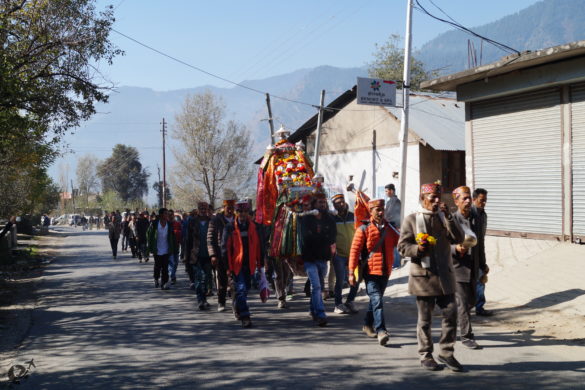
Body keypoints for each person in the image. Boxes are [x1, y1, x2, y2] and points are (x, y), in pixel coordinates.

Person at [398, 182, 465, 372]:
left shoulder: (444, 218)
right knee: (425, 319)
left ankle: (446, 351)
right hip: (424, 277)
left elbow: (458, 239)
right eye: (432, 198)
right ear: (422, 199)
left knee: (451, 313)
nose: (436, 202)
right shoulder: (411, 219)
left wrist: (450, 217)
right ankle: (426, 355)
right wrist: (417, 249)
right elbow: (402, 247)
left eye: (438, 198)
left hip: (445, 277)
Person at [349, 199, 399, 346]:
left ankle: (367, 325)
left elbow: (401, 243)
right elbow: (354, 251)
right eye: (377, 209)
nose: (380, 212)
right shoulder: (363, 229)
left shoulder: (391, 228)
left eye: (382, 209)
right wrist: (351, 272)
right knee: (377, 300)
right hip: (370, 271)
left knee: (374, 301)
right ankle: (381, 331)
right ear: (370, 211)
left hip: (386, 271)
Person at [451, 186, 488, 350]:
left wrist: (483, 265)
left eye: (468, 198)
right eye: (464, 199)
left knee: (471, 301)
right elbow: (443, 245)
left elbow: (480, 244)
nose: (467, 201)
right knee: (463, 304)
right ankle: (467, 336)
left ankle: (454, 319)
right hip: (457, 268)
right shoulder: (451, 220)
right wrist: (455, 248)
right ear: (456, 201)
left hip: (473, 266)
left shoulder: (476, 219)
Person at [222, 200, 263, 328]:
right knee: (240, 290)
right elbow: (225, 249)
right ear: (236, 212)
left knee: (245, 291)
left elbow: (259, 246)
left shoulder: (254, 227)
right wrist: (228, 268)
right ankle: (245, 316)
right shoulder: (229, 228)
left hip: (250, 265)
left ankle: (237, 306)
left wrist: (260, 263)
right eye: (240, 212)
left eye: (245, 211)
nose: (243, 214)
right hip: (236, 265)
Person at [301, 193, 336, 327]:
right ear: (314, 204)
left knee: (317, 286)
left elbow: (332, 237)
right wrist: (323, 238)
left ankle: (312, 309)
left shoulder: (329, 219)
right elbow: (306, 238)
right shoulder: (307, 219)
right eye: (320, 202)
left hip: (323, 258)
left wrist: (321, 239)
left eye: (324, 202)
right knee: (316, 286)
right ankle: (321, 314)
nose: (322, 205)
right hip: (309, 258)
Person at [330, 193, 358, 314]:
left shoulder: (353, 216)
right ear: (334, 205)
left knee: (355, 279)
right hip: (339, 255)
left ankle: (350, 301)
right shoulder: (332, 219)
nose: (341, 204)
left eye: (342, 201)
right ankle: (338, 304)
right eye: (338, 203)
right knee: (340, 280)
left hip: (353, 253)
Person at [207, 198, 236, 312]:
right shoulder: (215, 220)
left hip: (235, 255)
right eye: (228, 208)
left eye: (232, 208)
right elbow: (210, 239)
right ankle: (221, 302)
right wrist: (213, 255)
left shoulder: (237, 219)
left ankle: (235, 303)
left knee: (234, 280)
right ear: (224, 208)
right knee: (222, 280)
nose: (230, 210)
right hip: (221, 254)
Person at [187, 202, 213, 310]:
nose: (203, 210)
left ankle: (205, 299)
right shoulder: (192, 222)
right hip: (196, 255)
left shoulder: (211, 222)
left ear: (207, 210)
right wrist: (186, 255)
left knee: (207, 278)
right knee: (198, 278)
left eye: (205, 209)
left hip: (208, 254)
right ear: (198, 210)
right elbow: (188, 240)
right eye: (201, 209)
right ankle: (200, 300)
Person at [472, 188, 492, 316]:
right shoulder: (469, 214)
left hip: (479, 250)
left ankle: (479, 306)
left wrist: (483, 261)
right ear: (474, 200)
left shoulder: (483, 215)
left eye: (485, 201)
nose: (483, 203)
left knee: (481, 278)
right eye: (481, 200)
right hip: (468, 252)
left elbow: (482, 239)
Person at [147, 208, 176, 290]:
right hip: (157, 249)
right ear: (160, 215)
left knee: (165, 267)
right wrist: (150, 247)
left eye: (167, 213)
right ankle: (156, 279)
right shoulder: (154, 224)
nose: (167, 215)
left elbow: (172, 237)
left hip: (166, 249)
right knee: (157, 266)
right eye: (165, 213)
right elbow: (149, 236)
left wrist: (173, 248)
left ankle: (164, 283)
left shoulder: (169, 224)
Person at [384, 183, 402, 268]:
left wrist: (384, 218)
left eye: (386, 191)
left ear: (391, 191)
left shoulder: (394, 201)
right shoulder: (390, 201)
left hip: (394, 225)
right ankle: (395, 263)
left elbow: (389, 213)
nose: (386, 193)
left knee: (395, 245)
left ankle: (396, 263)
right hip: (391, 225)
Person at [168, 210, 182, 285]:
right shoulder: (166, 224)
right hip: (169, 246)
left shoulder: (177, 223)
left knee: (176, 262)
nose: (170, 216)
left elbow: (181, 232)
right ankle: (172, 276)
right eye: (169, 215)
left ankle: (172, 274)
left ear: (173, 215)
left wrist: (177, 232)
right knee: (171, 262)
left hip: (176, 245)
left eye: (171, 215)